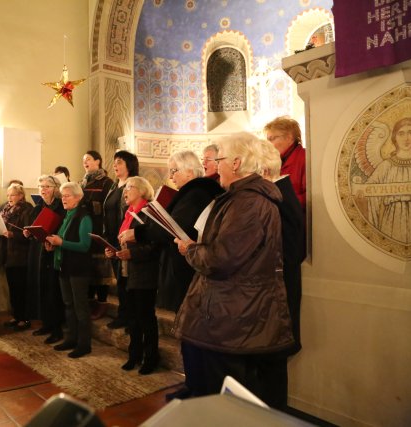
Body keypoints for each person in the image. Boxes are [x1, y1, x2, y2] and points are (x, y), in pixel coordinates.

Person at [173, 132, 294, 408]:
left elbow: (220, 259)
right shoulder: (242, 198)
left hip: (235, 319)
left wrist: (189, 248)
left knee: (230, 404)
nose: (218, 165)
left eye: (221, 159)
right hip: (234, 314)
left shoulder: (248, 202)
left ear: (236, 163)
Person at [119, 150, 223, 312]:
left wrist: (138, 233)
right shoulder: (197, 191)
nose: (171, 176)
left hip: (190, 265)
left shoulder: (196, 193)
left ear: (189, 172)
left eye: (174, 171)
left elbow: (173, 227)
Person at [257, 140, 306, 407]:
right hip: (272, 295)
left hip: (277, 296)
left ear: (263, 170)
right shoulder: (279, 194)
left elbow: (290, 252)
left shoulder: (280, 197)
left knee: (272, 372)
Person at [105, 176, 160, 374]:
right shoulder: (128, 212)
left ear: (142, 191)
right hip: (126, 272)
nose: (125, 191)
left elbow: (155, 247)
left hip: (144, 274)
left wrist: (132, 253)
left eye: (130, 187)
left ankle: (151, 358)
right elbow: (123, 242)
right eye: (125, 188)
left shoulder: (150, 214)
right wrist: (114, 251)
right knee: (132, 318)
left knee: (146, 318)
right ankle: (134, 355)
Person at [46, 182, 93, 358]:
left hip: (78, 268)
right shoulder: (67, 216)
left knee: (80, 307)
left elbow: (85, 245)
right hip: (64, 265)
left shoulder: (84, 217)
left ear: (78, 197)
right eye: (62, 196)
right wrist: (53, 245)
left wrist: (61, 243)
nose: (63, 199)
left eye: (67, 196)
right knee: (68, 305)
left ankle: (84, 344)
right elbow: (61, 239)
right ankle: (71, 338)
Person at [24, 175, 66, 344]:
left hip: (52, 251)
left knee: (52, 291)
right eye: (40, 186)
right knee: (40, 288)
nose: (43, 189)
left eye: (47, 186)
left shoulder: (60, 208)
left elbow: (63, 229)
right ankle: (46, 323)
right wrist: (27, 232)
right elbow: (33, 226)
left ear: (55, 188)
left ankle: (57, 328)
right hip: (37, 252)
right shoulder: (38, 207)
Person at [103, 150, 139, 330]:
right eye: (114, 162)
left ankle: (129, 316)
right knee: (120, 280)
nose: (115, 166)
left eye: (119, 162)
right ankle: (124, 314)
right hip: (112, 238)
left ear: (129, 165)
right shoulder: (114, 186)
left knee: (127, 281)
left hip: (125, 238)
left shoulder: (133, 186)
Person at [0, 183, 34, 330]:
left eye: (12, 195)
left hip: (21, 256)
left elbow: (29, 234)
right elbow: (3, 229)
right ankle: (16, 316)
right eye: (8, 195)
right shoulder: (6, 210)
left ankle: (25, 318)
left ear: (21, 195)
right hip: (8, 255)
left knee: (22, 289)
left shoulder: (27, 210)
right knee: (13, 289)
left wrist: (12, 234)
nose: (9, 198)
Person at [365, 117, 411, 243]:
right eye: (401, 133)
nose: (406, 138)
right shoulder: (386, 166)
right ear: (395, 138)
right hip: (392, 220)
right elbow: (368, 190)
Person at [80, 150, 115, 319]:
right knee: (88, 268)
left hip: (99, 229)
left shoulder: (106, 182)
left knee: (100, 270)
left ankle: (102, 302)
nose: (85, 163)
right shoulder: (83, 182)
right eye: (83, 160)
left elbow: (108, 206)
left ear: (98, 161)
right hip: (85, 230)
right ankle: (90, 301)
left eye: (88, 159)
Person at [264, 116, 306, 211]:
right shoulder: (276, 160)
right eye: (268, 140)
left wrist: (282, 202)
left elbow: (310, 196)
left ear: (289, 137)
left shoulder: (305, 158)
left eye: (272, 139)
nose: (268, 144)